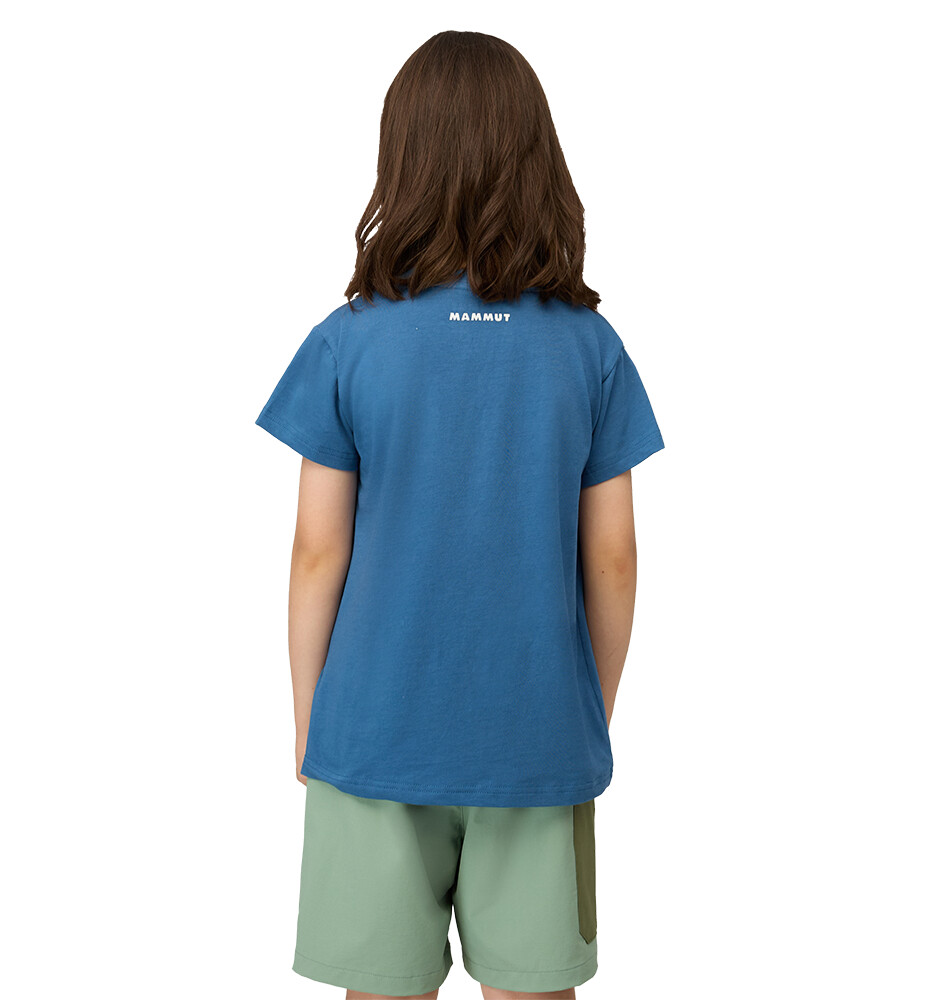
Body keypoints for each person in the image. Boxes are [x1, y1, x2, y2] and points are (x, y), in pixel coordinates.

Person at [254, 29, 665, 1000]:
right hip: (536, 732)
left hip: (373, 731)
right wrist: (583, 715)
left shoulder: (348, 341)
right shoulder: (591, 347)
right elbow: (613, 558)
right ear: (538, 156)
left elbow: (317, 552)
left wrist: (312, 721)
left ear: (401, 157)